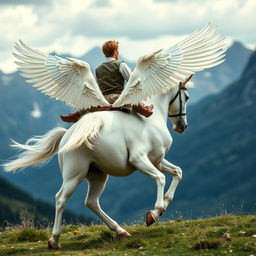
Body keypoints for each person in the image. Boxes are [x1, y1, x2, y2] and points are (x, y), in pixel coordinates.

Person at [61, 40, 153, 123]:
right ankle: (144, 110)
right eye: (118, 51)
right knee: (132, 97)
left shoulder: (97, 69)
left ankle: (76, 114)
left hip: (103, 99)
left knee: (88, 105)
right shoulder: (121, 65)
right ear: (115, 51)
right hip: (117, 98)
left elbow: (96, 87)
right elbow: (131, 81)